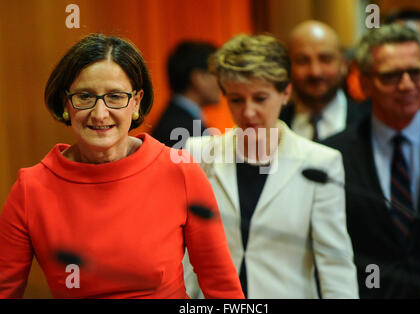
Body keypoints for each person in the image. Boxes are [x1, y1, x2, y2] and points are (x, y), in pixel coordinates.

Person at [0, 34, 244, 299]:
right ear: (66, 102)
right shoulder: (31, 188)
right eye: (84, 96)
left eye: (115, 96)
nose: (100, 113)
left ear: (137, 102)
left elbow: (222, 289)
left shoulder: (180, 171)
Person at [183, 34, 358, 299]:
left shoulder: (320, 162)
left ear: (285, 92)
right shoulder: (199, 153)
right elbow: (186, 254)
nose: (249, 112)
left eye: (260, 98)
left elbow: (335, 264)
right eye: (237, 100)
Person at [324, 24, 420, 298]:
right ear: (365, 83)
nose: (407, 85)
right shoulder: (333, 154)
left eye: (416, 73)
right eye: (391, 76)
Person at [279, 20, 369, 142]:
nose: (315, 72)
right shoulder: (273, 124)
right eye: (302, 61)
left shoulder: (369, 121)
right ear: (287, 66)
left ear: (343, 64)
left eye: (325, 59)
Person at [151, 41, 220, 148]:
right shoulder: (181, 128)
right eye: (217, 73)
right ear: (199, 78)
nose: (222, 81)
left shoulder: (177, 118)